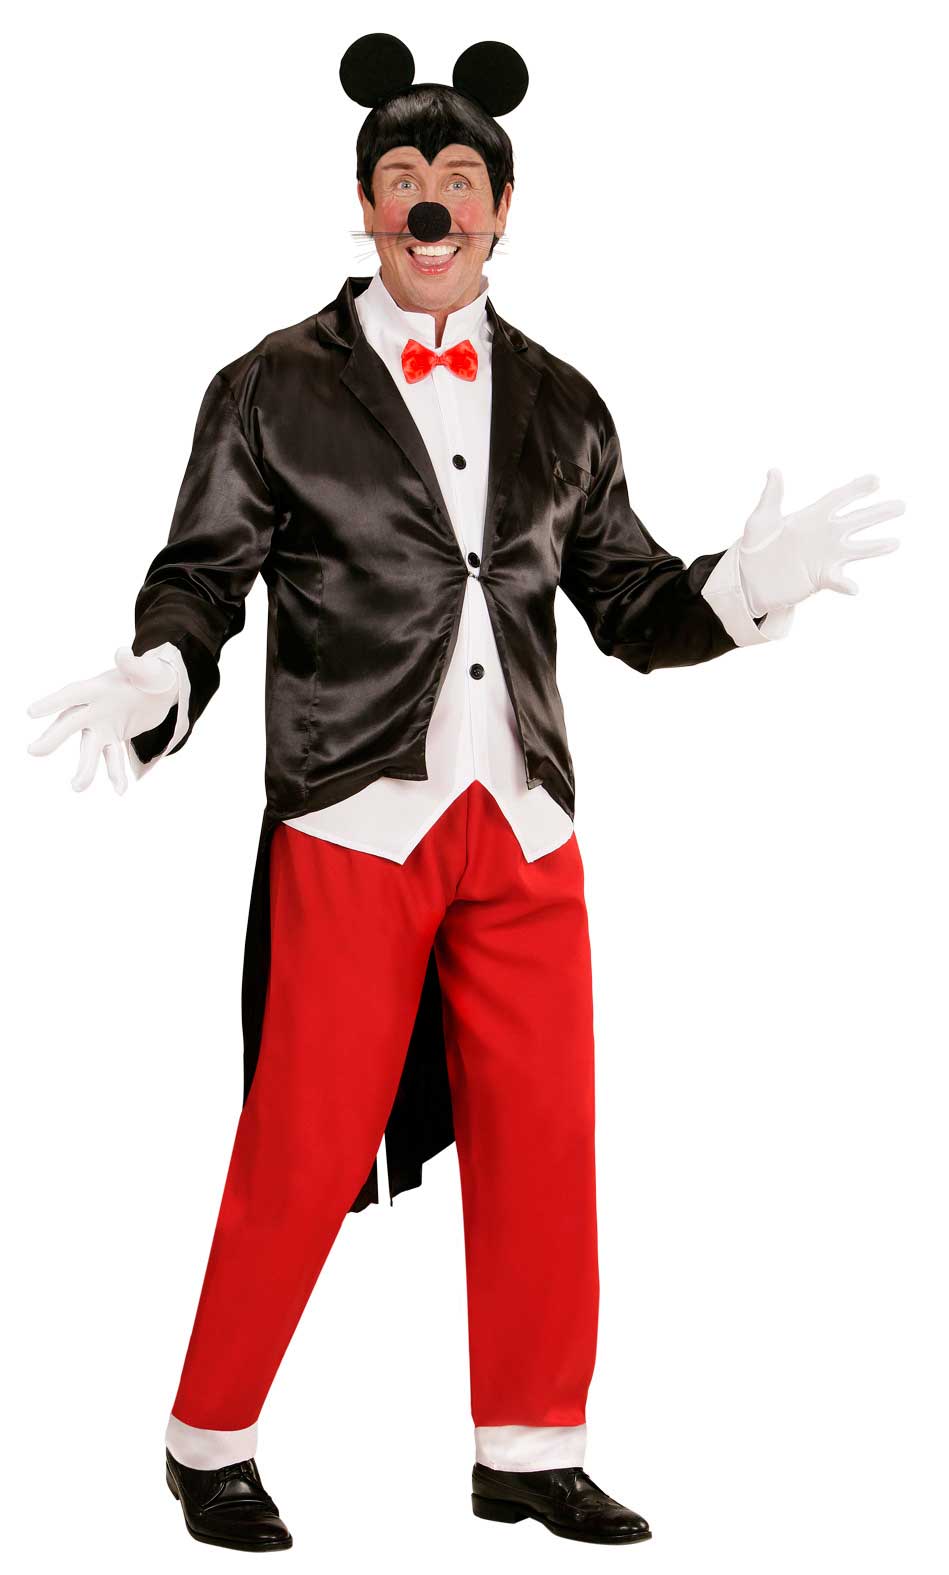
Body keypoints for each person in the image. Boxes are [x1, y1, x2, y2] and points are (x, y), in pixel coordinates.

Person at [26, 33, 903, 1552]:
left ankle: (530, 1450)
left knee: (545, 1136)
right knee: (304, 1142)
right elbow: (204, 572)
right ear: (366, 206)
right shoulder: (271, 385)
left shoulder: (562, 401)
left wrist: (742, 589)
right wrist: (164, 670)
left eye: (455, 180)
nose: (429, 206)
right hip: (353, 817)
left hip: (526, 825)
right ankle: (207, 1439)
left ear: (502, 205)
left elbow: (629, 605)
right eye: (400, 179)